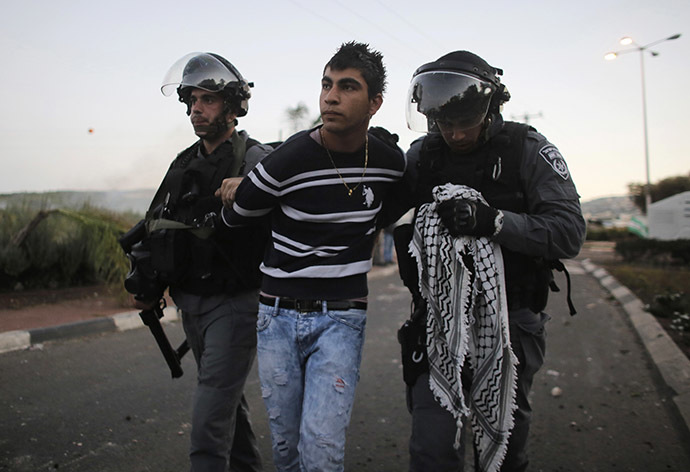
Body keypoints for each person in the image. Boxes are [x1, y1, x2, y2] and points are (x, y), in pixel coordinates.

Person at [216, 41, 407, 471]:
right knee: (286, 451)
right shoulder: (289, 159)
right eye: (326, 84)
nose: (331, 96)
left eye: (347, 87)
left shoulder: (389, 163)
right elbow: (237, 217)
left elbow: (395, 208)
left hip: (342, 319)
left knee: (321, 450)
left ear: (375, 102)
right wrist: (235, 190)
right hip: (277, 317)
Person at [394, 50, 586, 471]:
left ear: (492, 107)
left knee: (502, 445)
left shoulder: (528, 150)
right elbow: (377, 204)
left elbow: (569, 232)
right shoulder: (422, 155)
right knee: (431, 446)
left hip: (510, 322)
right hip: (438, 322)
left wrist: (495, 222)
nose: (456, 135)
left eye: (465, 122)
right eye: (445, 123)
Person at [133, 52, 272, 472]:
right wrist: (145, 283)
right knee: (227, 406)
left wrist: (249, 186)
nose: (196, 109)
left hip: (234, 304)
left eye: (207, 100)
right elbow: (155, 223)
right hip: (189, 304)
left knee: (209, 423)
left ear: (231, 106)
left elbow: (283, 200)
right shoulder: (183, 163)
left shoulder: (254, 158)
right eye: (192, 100)